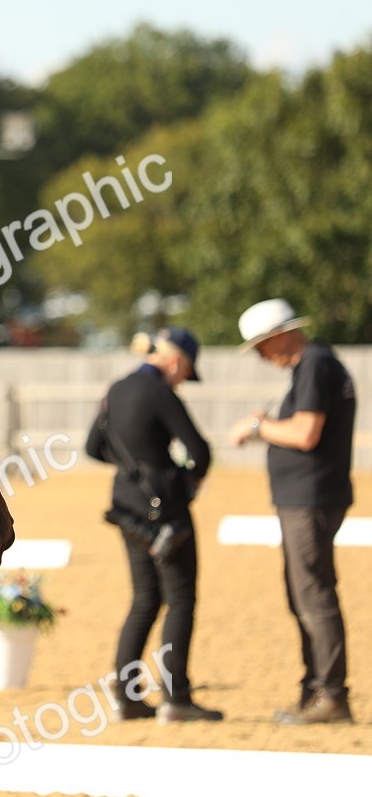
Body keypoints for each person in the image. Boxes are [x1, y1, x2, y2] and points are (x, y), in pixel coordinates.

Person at [228, 299, 356, 724]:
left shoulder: (315, 365)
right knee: (304, 594)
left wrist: (257, 427)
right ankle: (316, 689)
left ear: (281, 336)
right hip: (308, 497)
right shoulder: (314, 366)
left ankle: (330, 694)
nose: (262, 357)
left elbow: (305, 433)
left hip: (310, 499)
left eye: (262, 346)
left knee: (313, 595)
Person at [86, 328, 223, 723]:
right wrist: (184, 478)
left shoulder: (116, 389)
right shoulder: (161, 393)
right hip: (165, 507)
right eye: (185, 373)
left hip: (126, 504)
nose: (182, 381)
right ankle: (176, 698)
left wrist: (131, 467)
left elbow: (93, 448)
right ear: (177, 361)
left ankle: (127, 697)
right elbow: (200, 451)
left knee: (144, 598)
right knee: (180, 599)